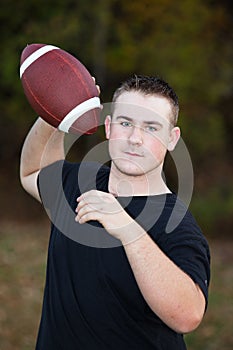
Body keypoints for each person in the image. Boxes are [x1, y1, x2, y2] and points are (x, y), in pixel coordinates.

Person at [20, 75, 210, 350]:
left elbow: (188, 316)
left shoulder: (177, 225)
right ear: (108, 127)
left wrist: (128, 229)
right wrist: (57, 109)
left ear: (172, 138)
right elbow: (32, 171)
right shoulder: (81, 182)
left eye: (152, 128)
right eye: (125, 123)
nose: (135, 138)